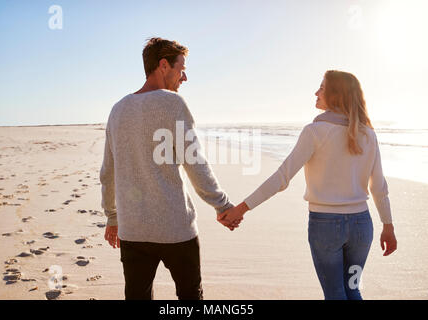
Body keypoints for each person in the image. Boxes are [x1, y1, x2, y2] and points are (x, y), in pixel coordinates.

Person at [219, 70, 398, 300]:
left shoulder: (315, 132)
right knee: (352, 289)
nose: (316, 92)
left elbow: (281, 178)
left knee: (335, 293)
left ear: (335, 94)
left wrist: (240, 209)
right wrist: (388, 226)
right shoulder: (368, 134)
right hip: (362, 227)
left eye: (321, 88)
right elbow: (379, 187)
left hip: (326, 227)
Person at [100, 37, 235, 300]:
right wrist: (222, 205)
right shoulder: (172, 104)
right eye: (180, 68)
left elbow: (108, 171)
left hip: (133, 230)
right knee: (190, 297)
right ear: (163, 65)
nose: (184, 77)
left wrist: (112, 216)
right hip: (176, 229)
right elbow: (195, 162)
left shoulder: (117, 110)